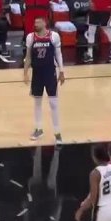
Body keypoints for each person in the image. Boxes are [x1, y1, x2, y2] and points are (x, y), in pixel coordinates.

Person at [23, 16, 64, 145]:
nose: (35, 24)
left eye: (38, 22)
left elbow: (58, 55)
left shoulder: (54, 36)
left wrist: (62, 71)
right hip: (37, 74)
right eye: (35, 22)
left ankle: (57, 133)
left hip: (50, 73)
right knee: (37, 103)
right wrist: (25, 73)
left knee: (53, 103)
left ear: (44, 23)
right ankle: (38, 129)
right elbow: (28, 57)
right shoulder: (30, 37)